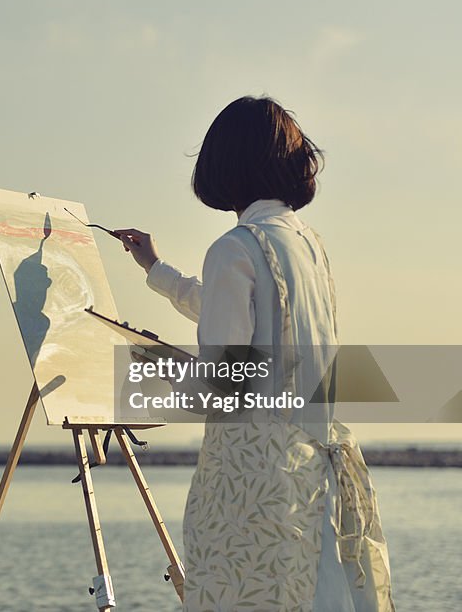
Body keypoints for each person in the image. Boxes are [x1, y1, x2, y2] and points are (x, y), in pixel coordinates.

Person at [116, 96, 395, 612]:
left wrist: (150, 364)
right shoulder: (307, 245)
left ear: (226, 166)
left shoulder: (235, 247)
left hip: (255, 488)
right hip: (315, 478)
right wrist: (157, 271)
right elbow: (258, 321)